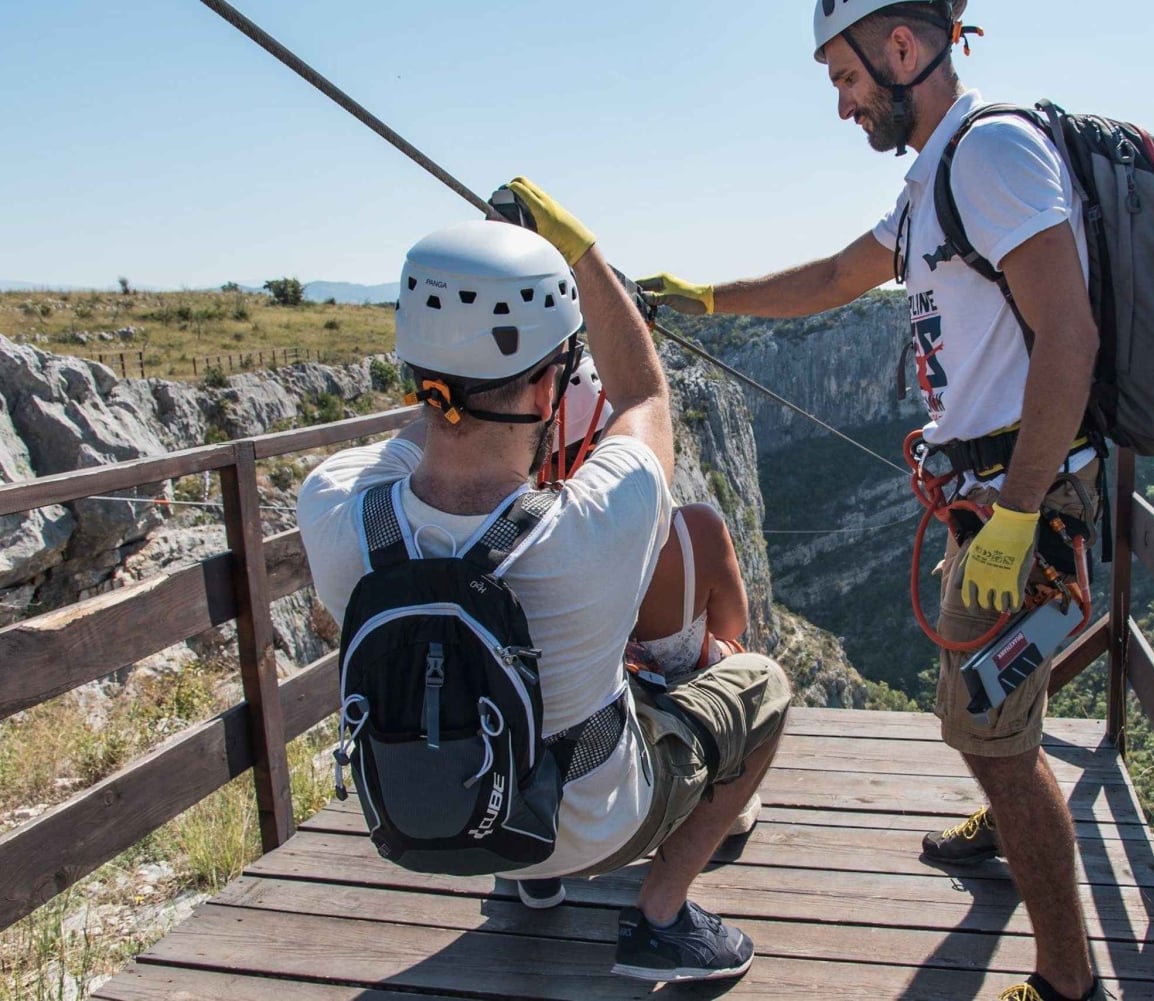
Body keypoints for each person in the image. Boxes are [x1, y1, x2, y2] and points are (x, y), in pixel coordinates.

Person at [640, 3, 1103, 999]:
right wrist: (708, 297)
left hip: (1018, 494)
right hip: (988, 492)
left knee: (993, 733)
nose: (843, 105)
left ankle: (1069, 982)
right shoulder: (932, 179)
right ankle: (1004, 816)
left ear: (902, 49)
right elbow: (836, 275)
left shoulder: (991, 155)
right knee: (985, 718)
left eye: (845, 78)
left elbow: (1070, 335)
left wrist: (1019, 518)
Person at [296, 180, 790, 984]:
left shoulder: (333, 513)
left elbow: (408, 445)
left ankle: (530, 875)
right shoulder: (594, 524)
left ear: (420, 374)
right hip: (603, 824)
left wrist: (449, 371)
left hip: (434, 811)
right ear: (547, 387)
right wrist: (581, 250)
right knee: (762, 687)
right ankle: (661, 915)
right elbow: (643, 394)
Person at [518, 359, 760, 910]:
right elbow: (732, 626)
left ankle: (538, 865)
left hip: (562, 761)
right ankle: (717, 808)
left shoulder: (523, 540)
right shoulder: (695, 529)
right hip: (651, 746)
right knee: (745, 664)